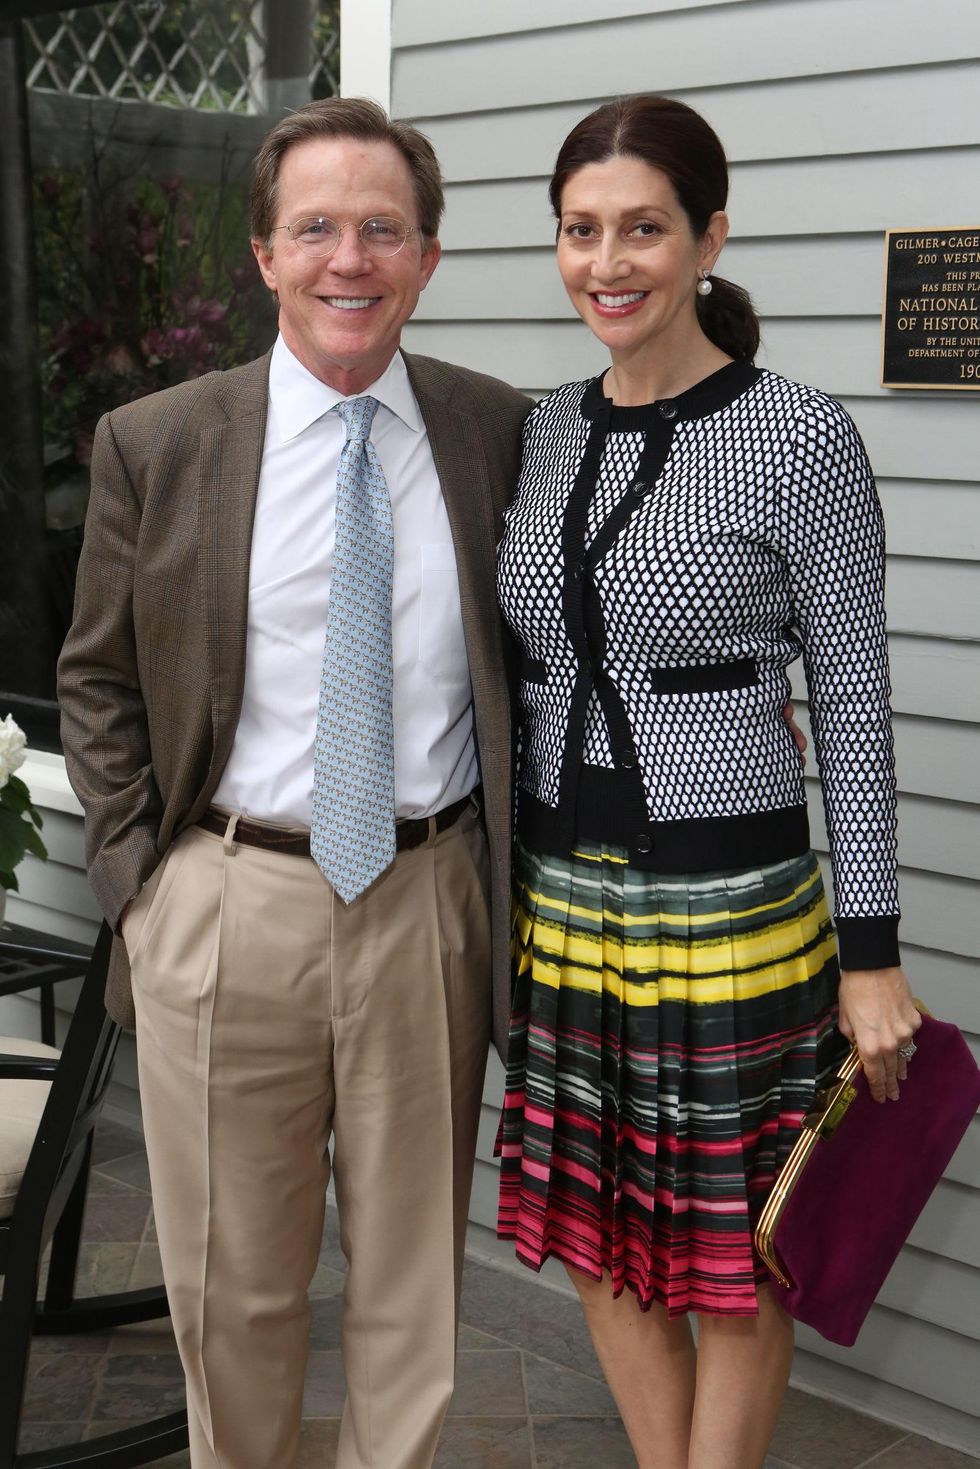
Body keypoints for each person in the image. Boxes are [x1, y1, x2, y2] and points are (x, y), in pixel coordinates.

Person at [57, 98, 530, 1469]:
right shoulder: (157, 441)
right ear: (262, 252)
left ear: (428, 257)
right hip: (225, 903)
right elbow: (95, 680)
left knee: (406, 1295)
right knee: (234, 1289)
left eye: (383, 228)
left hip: (426, 902)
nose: (350, 257)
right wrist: (138, 883)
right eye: (315, 226)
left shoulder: (495, 431)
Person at [495, 94, 921, 1469]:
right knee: (600, 1239)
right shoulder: (543, 430)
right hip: (564, 896)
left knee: (736, 1256)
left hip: (731, 901)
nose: (607, 262)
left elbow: (849, 700)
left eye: (643, 229)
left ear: (708, 238)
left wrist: (871, 954)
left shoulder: (800, 436)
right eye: (580, 230)